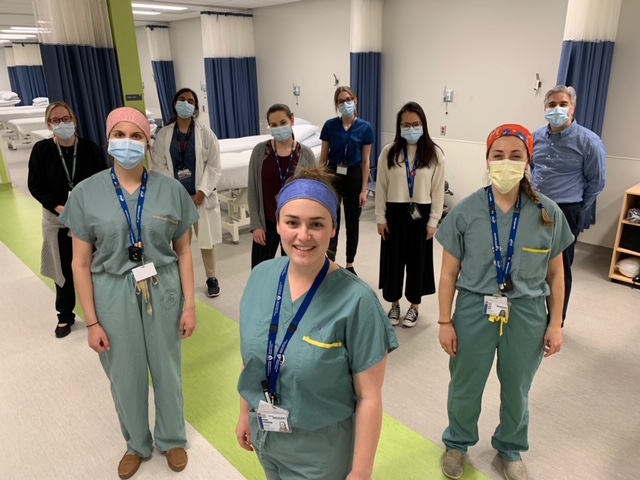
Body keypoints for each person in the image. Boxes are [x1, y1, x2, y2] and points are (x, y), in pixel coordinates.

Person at [60, 107, 199, 479]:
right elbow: (79, 264)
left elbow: (184, 251)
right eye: (120, 135)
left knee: (167, 369)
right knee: (125, 372)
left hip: (162, 284)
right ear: (108, 142)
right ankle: (137, 444)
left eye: (136, 136)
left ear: (148, 142)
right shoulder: (86, 193)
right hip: (112, 290)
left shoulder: (171, 190)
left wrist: (190, 305)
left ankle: (172, 438)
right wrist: (90, 321)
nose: (128, 143)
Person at [235, 166, 398, 480]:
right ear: (279, 224)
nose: (303, 235)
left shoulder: (357, 301)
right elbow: (251, 360)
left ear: (333, 229)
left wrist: (362, 470)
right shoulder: (261, 277)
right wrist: (245, 412)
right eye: (292, 222)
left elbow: (369, 397)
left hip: (321, 454)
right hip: (266, 437)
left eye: (317, 224)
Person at [436, 124, 574, 480]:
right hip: (473, 309)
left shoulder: (548, 212)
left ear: (528, 160)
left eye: (516, 155)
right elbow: (449, 273)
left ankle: (510, 448)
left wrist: (555, 324)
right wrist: (444, 322)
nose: (506, 163)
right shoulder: (466, 211)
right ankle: (457, 443)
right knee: (466, 383)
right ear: (488, 159)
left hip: (527, 312)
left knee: (517, 387)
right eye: (498, 155)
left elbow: (557, 275)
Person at [27, 101, 106, 338]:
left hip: (88, 218)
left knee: (93, 266)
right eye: (56, 121)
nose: (62, 124)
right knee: (63, 270)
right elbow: (35, 186)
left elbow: (102, 180)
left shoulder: (90, 148)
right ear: (49, 125)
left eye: (66, 119)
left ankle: (99, 311)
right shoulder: (42, 150)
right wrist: (61, 208)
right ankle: (65, 315)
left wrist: (84, 210)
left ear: (74, 120)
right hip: (57, 220)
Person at [531, 85, 606, 325]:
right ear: (545, 108)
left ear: (572, 108)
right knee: (531, 261)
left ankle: (556, 320)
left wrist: (577, 208)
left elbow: (597, 181)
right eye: (552, 105)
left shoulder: (588, 141)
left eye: (563, 104)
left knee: (559, 268)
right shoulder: (535, 137)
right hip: (534, 206)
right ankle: (530, 314)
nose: (557, 109)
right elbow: (532, 169)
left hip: (566, 209)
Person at [376, 101, 445, 328]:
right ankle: (394, 305)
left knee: (418, 263)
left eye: (415, 124)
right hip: (394, 213)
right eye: (406, 124)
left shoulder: (434, 154)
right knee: (393, 261)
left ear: (423, 124)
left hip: (420, 214)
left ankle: (414, 307)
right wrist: (380, 217)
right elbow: (381, 187)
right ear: (399, 126)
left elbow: (437, 191)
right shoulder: (389, 152)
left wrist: (433, 221)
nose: (411, 128)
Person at [151, 87, 223, 298]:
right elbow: (158, 166)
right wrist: (178, 193)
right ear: (174, 104)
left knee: (206, 241)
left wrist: (201, 192)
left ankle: (211, 277)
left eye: (190, 101)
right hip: (176, 199)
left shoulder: (205, 133)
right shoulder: (164, 134)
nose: (186, 104)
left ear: (195, 106)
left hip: (201, 198)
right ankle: (181, 278)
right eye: (182, 99)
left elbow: (215, 166)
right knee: (179, 243)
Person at [248, 103, 316, 268]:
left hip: (294, 224)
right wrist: (256, 225)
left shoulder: (306, 154)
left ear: (292, 121)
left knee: (294, 270)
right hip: (267, 223)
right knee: (261, 271)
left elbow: (312, 194)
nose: (279, 128)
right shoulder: (260, 151)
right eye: (274, 125)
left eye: (283, 123)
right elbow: (252, 190)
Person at [319, 86, 374, 275]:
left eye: (348, 99)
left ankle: (350, 263)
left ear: (355, 100)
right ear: (336, 104)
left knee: (352, 222)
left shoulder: (365, 127)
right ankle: (330, 259)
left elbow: (366, 161)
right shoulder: (329, 125)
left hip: (353, 175)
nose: (345, 104)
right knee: (331, 220)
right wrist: (320, 182)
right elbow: (323, 157)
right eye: (341, 101)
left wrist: (364, 189)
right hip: (333, 173)